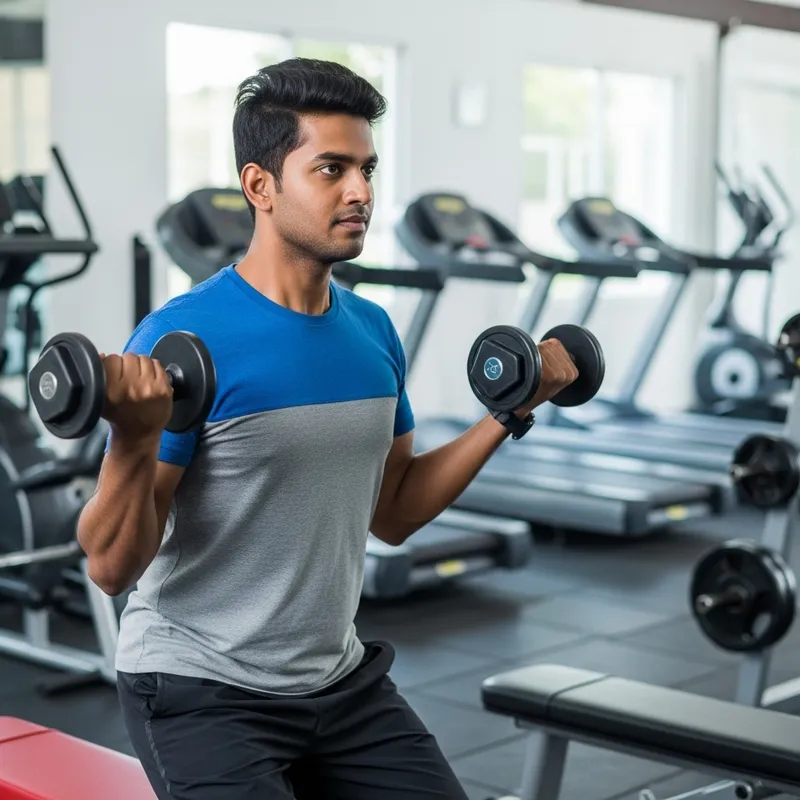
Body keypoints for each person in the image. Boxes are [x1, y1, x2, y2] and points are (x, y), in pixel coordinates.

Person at [77, 58, 578, 799]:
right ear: (261, 187)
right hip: (200, 688)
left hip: (339, 683)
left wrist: (506, 412)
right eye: (332, 169)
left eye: (368, 169)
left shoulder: (373, 332)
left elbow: (396, 510)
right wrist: (133, 435)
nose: (361, 193)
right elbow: (112, 569)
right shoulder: (184, 338)